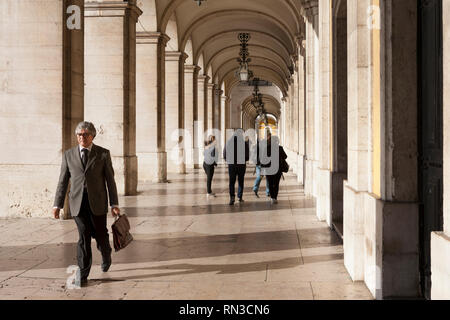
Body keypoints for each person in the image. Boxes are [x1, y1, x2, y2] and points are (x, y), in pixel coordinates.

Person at [52, 121, 120, 287]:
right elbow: (63, 181)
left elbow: (110, 181)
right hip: (77, 203)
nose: (82, 137)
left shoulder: (103, 154)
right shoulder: (68, 155)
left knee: (101, 234)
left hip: (97, 201)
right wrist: (57, 204)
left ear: (93, 136)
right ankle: (82, 274)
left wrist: (114, 204)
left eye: (85, 134)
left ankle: (106, 253)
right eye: (79, 134)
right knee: (83, 236)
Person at [223, 129, 249, 205]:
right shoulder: (243, 143)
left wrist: (228, 160)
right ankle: (240, 197)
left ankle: (232, 198)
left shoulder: (228, 142)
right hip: (241, 165)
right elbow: (247, 155)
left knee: (232, 182)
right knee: (241, 181)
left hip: (232, 165)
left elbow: (224, 153)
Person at [261, 135, 287, 204]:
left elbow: (263, 159)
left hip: (269, 169)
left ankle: (272, 197)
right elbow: (285, 156)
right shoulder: (280, 148)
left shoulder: (267, 148)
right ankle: (275, 197)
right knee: (276, 183)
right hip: (277, 169)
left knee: (270, 183)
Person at [252, 134, 270, 198]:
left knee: (260, 177)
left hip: (260, 164)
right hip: (263, 164)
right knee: (267, 178)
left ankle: (256, 189)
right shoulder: (268, 146)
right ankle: (267, 192)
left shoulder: (258, 145)